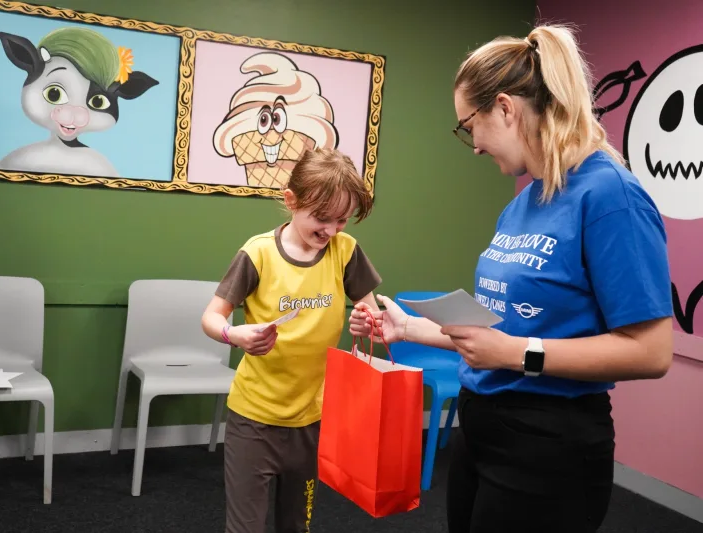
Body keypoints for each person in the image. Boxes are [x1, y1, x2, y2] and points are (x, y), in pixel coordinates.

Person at [350, 23, 673, 533]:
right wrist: (407, 328)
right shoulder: (527, 199)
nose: (473, 145)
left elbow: (652, 353)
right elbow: (493, 337)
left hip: (549, 442)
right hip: (481, 425)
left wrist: (520, 354)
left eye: (468, 125)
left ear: (504, 108)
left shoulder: (611, 196)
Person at [201, 147, 382, 533]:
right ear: (291, 200)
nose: (331, 231)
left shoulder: (345, 252)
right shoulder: (259, 253)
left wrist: (368, 322)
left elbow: (373, 313)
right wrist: (235, 334)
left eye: (342, 221)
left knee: (296, 524)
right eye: (321, 218)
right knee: (245, 527)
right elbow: (210, 318)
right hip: (254, 420)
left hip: (313, 419)